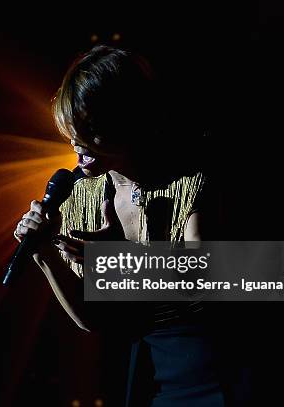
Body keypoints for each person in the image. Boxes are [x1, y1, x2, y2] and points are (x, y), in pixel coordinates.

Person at [13, 45, 248, 406]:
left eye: (88, 125)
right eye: (71, 126)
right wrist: (44, 253)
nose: (74, 138)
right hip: (151, 378)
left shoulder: (192, 177)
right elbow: (95, 320)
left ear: (125, 119)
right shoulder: (84, 195)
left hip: (221, 369)